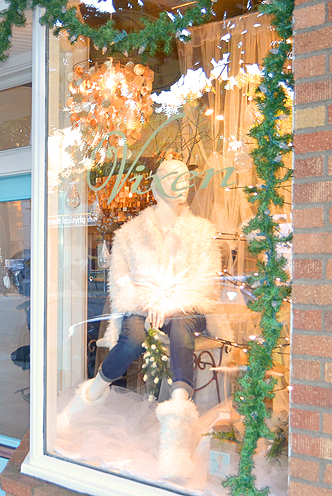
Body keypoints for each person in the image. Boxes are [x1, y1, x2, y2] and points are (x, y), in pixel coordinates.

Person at [58, 158, 222, 480]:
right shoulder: (130, 234)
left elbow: (206, 283)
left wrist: (171, 305)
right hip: (141, 306)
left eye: (185, 178)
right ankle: (84, 401)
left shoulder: (201, 232)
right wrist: (149, 303)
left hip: (186, 308)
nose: (182, 184)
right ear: (156, 186)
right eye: (173, 177)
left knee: (181, 329)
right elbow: (121, 282)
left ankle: (174, 438)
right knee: (132, 338)